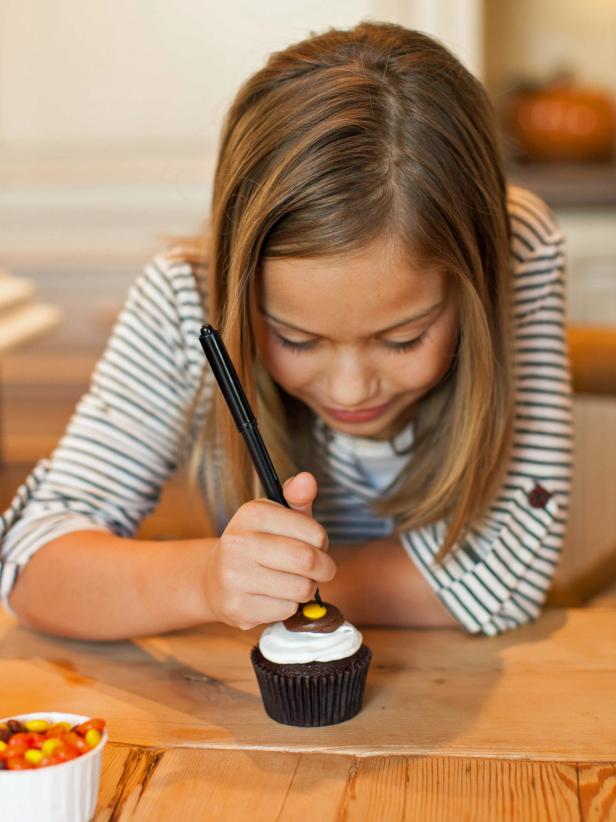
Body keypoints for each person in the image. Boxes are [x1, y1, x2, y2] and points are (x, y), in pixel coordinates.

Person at [0, 22, 572, 641]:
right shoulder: (186, 298)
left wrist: (267, 582)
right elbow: (28, 566)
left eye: (403, 338)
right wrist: (207, 579)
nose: (351, 391)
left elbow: (506, 579)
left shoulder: (517, 249)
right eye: (297, 339)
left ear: (478, 284)